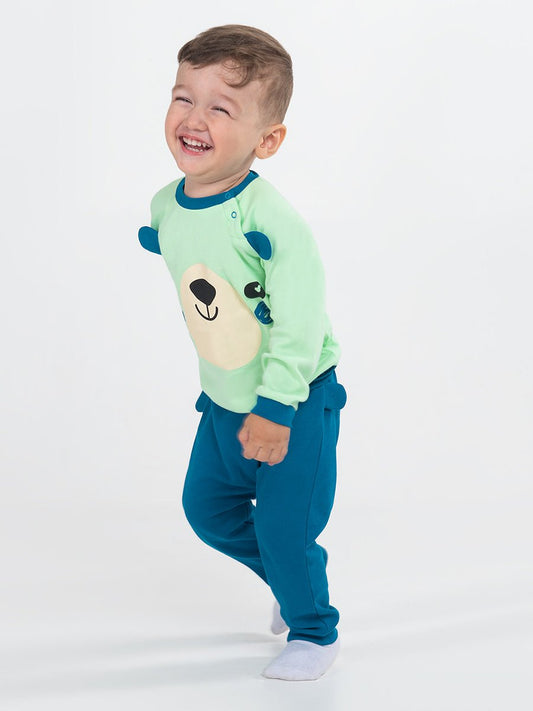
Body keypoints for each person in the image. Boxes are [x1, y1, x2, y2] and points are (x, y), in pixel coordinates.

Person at [138, 24, 346, 681]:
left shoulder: (269, 220)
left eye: (221, 108)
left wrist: (277, 407)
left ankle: (314, 628)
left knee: (285, 531)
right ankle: (292, 576)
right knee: (207, 511)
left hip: (293, 398)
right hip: (223, 397)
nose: (194, 119)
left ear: (267, 140)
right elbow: (181, 247)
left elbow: (301, 321)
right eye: (183, 97)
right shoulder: (167, 205)